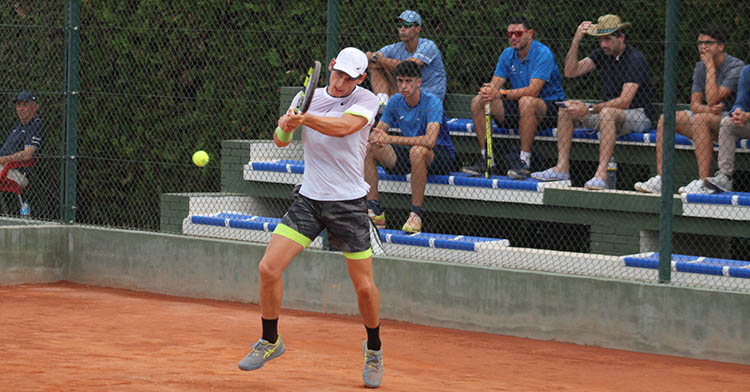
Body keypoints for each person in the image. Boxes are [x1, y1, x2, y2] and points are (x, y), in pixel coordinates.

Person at [237, 47, 384, 388]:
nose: (340, 80)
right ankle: (271, 341)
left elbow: (344, 128)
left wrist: (303, 118)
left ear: (360, 79)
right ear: (331, 68)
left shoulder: (367, 101)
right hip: (309, 200)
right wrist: (287, 125)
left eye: (349, 77)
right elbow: (280, 141)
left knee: (363, 288)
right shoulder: (309, 97)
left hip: (348, 204)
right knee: (268, 268)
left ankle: (373, 348)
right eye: (338, 73)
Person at [531, 15, 654, 190]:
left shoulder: (635, 58)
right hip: (608, 116)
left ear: (621, 38)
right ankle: (562, 168)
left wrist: (589, 108)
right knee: (566, 109)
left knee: (606, 113)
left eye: (608, 39)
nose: (603, 44)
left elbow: (625, 101)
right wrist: (576, 39)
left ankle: (601, 175)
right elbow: (570, 71)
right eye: (600, 40)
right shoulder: (603, 54)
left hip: (637, 115)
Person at [634, 24, 744, 194]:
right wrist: (706, 109)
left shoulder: (736, 67)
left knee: (700, 119)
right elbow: (694, 104)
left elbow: (714, 97)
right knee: (667, 119)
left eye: (708, 43)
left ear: (721, 46)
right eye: (700, 43)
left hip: (728, 120)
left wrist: (709, 67)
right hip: (708, 116)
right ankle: (662, 179)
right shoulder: (700, 66)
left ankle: (703, 182)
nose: (703, 47)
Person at [461, 16, 565, 179]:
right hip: (520, 107)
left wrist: (501, 93)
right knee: (478, 102)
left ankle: (524, 162)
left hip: (549, 109)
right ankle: (488, 159)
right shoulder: (507, 54)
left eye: (518, 33)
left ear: (529, 34)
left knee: (527, 101)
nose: (513, 38)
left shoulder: (543, 53)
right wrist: (487, 91)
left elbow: (533, 90)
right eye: (510, 34)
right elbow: (495, 84)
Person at [365, 61, 455, 233]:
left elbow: (430, 141)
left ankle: (415, 214)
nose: (403, 86)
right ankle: (375, 209)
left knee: (417, 151)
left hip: (439, 155)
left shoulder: (432, 102)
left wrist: (390, 138)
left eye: (408, 81)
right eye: (400, 81)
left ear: (418, 82)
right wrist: (376, 137)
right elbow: (379, 132)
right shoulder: (396, 101)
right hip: (409, 153)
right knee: (371, 147)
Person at [366, 10, 447, 107]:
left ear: (418, 29)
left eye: (407, 25)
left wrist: (379, 59)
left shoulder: (428, 45)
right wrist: (375, 58)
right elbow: (368, 56)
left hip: (429, 97)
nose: (402, 29)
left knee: (379, 62)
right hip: (405, 91)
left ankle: (388, 104)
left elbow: (407, 67)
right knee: (374, 65)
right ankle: (382, 102)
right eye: (399, 25)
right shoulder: (397, 47)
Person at [705, 64, 750, 193]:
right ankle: (725, 177)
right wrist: (738, 112)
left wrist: (747, 116)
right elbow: (741, 101)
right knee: (727, 123)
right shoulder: (747, 71)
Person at [0, 91, 44, 214]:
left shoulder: (36, 126)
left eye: (25, 105)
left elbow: (27, 155)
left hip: (19, 173)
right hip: (3, 168)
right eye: (18, 105)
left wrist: (1, 160)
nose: (20, 109)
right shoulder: (18, 126)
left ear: (35, 107)